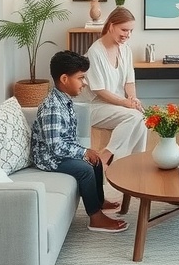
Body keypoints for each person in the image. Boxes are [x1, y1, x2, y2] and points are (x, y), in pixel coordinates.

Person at [32, 50, 129, 234]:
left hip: (59, 152)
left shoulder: (64, 100)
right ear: (64, 79)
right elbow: (55, 147)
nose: (85, 83)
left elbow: (66, 139)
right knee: (85, 169)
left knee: (96, 159)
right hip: (49, 158)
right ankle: (95, 217)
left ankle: (99, 201)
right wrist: (83, 153)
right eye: (81, 78)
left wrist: (86, 151)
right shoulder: (52, 107)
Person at [81, 7, 147, 168]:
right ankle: (107, 156)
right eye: (124, 29)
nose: (128, 35)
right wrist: (125, 103)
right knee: (133, 117)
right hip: (94, 106)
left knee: (141, 117)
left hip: (114, 104)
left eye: (130, 30)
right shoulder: (95, 52)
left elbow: (129, 82)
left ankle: (135, 163)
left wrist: (133, 99)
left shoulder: (126, 50)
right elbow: (99, 90)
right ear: (111, 26)